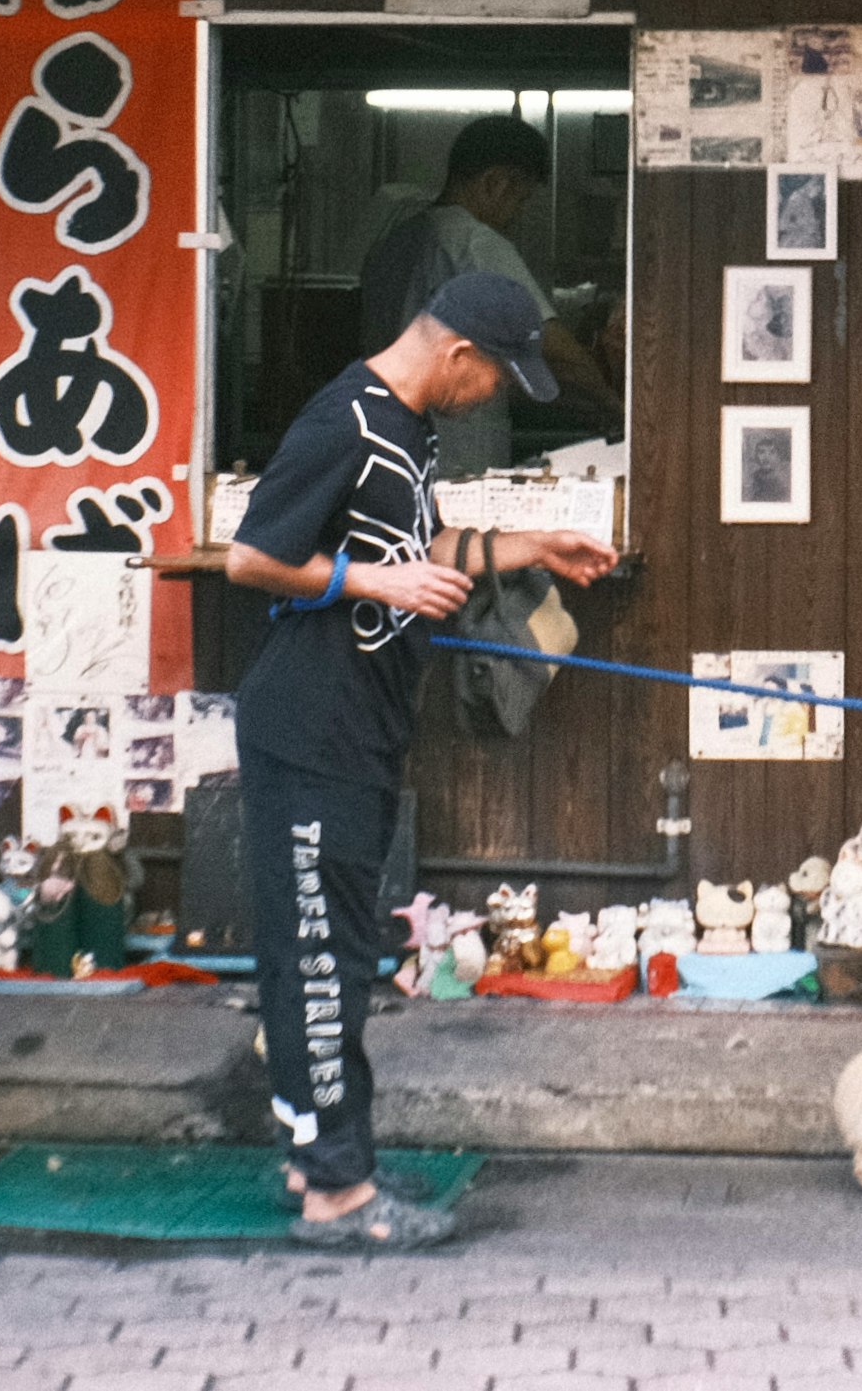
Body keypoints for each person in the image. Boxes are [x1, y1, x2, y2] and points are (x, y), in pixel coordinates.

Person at [225, 271, 620, 1248]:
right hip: (308, 728)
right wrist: (376, 581)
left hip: (358, 727)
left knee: (335, 952)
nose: (495, 394)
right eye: (497, 376)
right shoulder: (343, 422)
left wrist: (533, 545)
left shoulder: (404, 427)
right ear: (457, 355)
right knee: (320, 959)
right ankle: (336, 1194)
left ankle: (319, 1152)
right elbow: (250, 556)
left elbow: (419, 538)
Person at [356, 114, 615, 473]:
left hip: (385, 450)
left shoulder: (391, 245)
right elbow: (558, 354)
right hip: (455, 458)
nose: (517, 215)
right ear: (495, 182)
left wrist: (579, 405)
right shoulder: (476, 245)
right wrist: (617, 407)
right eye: (520, 199)